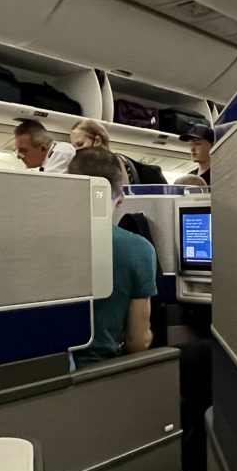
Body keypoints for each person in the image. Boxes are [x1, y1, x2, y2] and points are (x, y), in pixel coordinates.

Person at [67, 147, 157, 367]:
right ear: (120, 199)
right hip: (97, 375)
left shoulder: (35, 241)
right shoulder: (138, 249)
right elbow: (137, 342)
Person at [70, 118, 166, 185]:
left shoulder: (114, 164)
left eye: (80, 144)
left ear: (97, 141)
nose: (76, 151)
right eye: (74, 147)